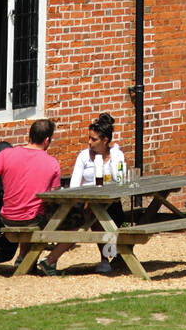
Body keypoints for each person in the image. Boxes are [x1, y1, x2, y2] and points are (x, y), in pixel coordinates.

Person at [44, 112, 127, 276]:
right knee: (94, 216)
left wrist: (116, 159)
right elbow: (75, 184)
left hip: (110, 201)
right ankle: (107, 258)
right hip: (85, 202)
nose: (89, 142)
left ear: (105, 140)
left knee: (106, 215)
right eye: (89, 138)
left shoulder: (116, 155)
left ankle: (112, 255)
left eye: (94, 139)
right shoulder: (84, 156)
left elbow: (120, 181)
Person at [0, 119, 61, 272]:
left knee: (29, 206)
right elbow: (55, 198)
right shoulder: (52, 163)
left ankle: (23, 257)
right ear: (47, 140)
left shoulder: (6, 154)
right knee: (77, 218)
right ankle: (50, 260)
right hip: (32, 221)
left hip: (7, 219)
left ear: (30, 135)